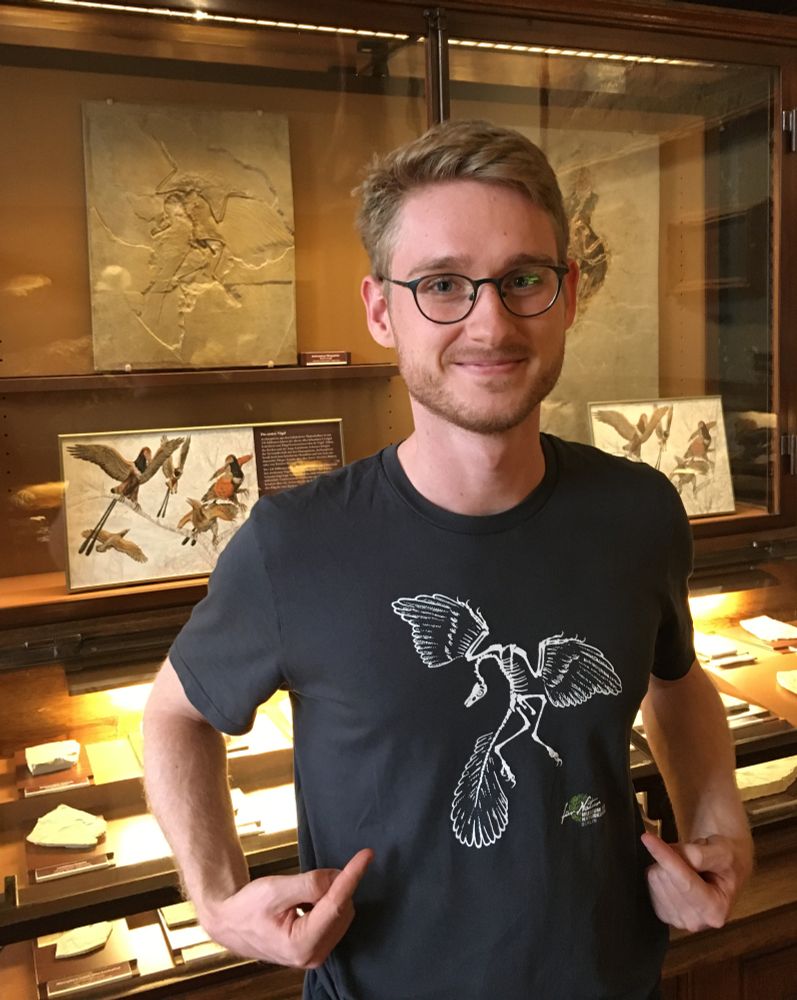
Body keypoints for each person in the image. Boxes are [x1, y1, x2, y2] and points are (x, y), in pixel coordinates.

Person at [143, 119, 754, 1000]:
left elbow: (675, 678)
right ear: (380, 310)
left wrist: (718, 824)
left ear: (565, 294)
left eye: (522, 280)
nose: (489, 322)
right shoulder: (293, 543)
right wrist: (214, 899)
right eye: (441, 285)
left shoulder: (639, 510)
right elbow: (175, 714)